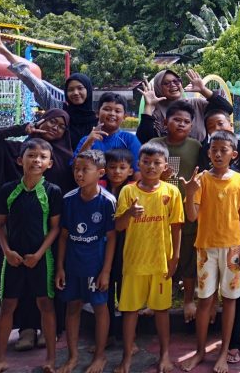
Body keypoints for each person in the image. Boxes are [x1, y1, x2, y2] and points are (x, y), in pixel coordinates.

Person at [0, 109, 74, 347]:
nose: (55, 128)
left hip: (50, 230)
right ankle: (26, 329)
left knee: (48, 284)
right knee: (19, 281)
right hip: (18, 230)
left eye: (61, 126)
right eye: (51, 121)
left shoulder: (66, 156)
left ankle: (49, 329)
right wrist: (22, 129)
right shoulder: (18, 150)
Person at [0, 138, 63, 373]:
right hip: (13, 259)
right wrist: (7, 252)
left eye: (42, 157)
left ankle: (50, 359)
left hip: (41, 259)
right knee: (7, 306)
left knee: (46, 305)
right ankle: (0, 359)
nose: (36, 160)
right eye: (31, 155)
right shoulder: (8, 190)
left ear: (50, 163)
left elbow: (55, 229)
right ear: (20, 160)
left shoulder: (52, 192)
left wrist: (39, 255)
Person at [179, 129, 240, 371]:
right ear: (208, 153)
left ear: (234, 154)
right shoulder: (201, 180)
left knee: (229, 300)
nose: (218, 154)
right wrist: (190, 193)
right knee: (205, 300)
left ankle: (223, 352)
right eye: (214, 150)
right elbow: (192, 216)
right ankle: (200, 351)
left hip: (233, 249)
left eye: (223, 150)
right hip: (206, 248)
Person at [114, 142, 183, 373]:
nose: (151, 167)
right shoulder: (128, 191)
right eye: (146, 162)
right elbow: (119, 226)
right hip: (134, 263)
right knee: (130, 311)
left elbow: (177, 227)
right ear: (138, 164)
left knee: (161, 311)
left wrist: (175, 258)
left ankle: (165, 355)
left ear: (165, 166)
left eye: (156, 163)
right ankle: (126, 357)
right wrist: (129, 213)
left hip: (161, 262)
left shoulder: (171, 191)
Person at [55, 150, 117, 373]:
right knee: (73, 307)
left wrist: (106, 271)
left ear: (100, 173)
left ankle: (100, 356)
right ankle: (72, 357)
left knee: (100, 307)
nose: (79, 174)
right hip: (73, 265)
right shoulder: (68, 199)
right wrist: (60, 267)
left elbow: (111, 238)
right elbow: (63, 235)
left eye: (85, 170)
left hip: (95, 265)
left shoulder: (107, 201)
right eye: (76, 169)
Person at [148, 100, 203, 324]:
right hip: (158, 211)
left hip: (186, 210)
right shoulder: (154, 144)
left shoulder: (196, 147)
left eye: (186, 121)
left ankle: (188, 299)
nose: (181, 124)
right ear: (165, 122)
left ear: (191, 126)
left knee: (188, 257)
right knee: (160, 256)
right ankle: (159, 297)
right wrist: (159, 178)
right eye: (176, 120)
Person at [0, 36, 98, 147]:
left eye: (80, 88)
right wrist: (7, 54)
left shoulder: (97, 121)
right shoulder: (60, 111)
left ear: (88, 90)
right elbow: (36, 86)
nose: (75, 93)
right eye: (70, 90)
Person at [136, 69, 233, 143]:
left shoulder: (197, 104)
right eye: (166, 83)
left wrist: (203, 90)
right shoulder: (154, 113)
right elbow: (143, 140)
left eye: (176, 81)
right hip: (166, 161)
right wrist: (148, 106)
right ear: (158, 88)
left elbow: (227, 109)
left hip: (199, 160)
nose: (173, 85)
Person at [102, 149, 135, 347]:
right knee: (105, 294)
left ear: (130, 171)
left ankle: (127, 338)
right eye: (112, 167)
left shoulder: (133, 191)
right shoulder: (99, 189)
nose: (117, 172)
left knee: (126, 294)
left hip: (127, 248)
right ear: (105, 169)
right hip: (104, 249)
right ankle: (107, 335)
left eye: (122, 168)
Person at [74, 92, 142, 174]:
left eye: (117, 111)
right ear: (97, 113)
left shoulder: (130, 139)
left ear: (124, 117)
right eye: (107, 109)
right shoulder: (86, 140)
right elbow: (74, 169)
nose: (112, 113)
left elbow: (138, 171)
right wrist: (88, 143)